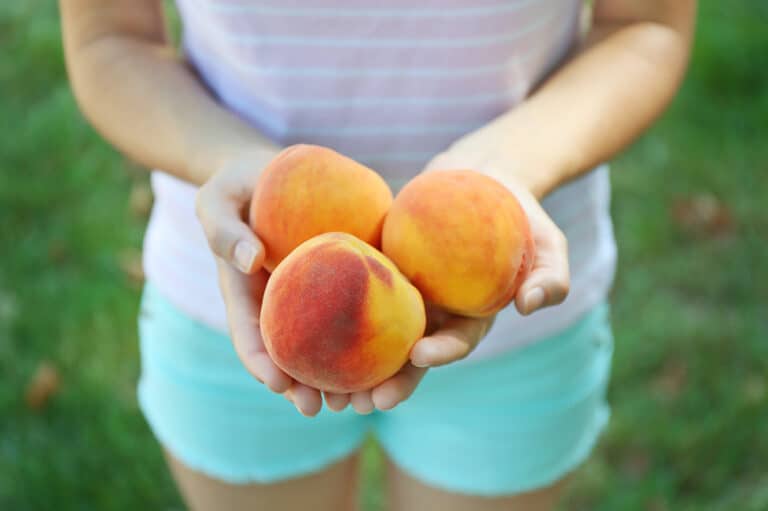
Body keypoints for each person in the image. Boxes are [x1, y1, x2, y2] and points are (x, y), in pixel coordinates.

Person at [59, 1, 696, 509]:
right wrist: (227, 162)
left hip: (518, 315)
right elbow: (110, 36)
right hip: (241, 297)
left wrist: (511, 167)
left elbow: (644, 25)